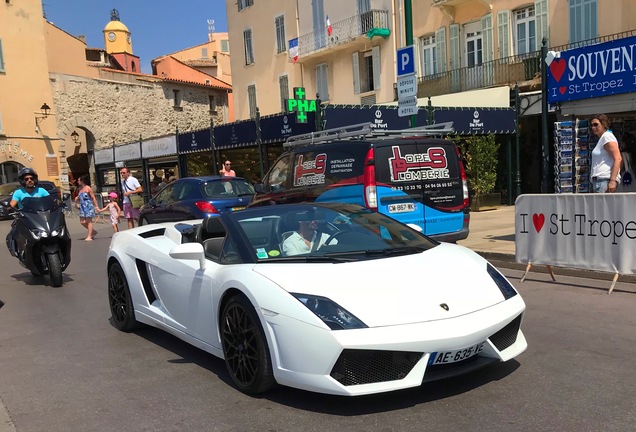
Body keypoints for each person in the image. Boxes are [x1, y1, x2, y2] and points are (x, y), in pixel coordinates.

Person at [7, 168, 50, 256]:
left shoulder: (41, 191)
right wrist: (9, 207)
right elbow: (12, 203)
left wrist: (58, 203)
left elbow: (51, 201)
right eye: (26, 179)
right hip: (26, 218)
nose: (29, 180)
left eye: (31, 178)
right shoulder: (18, 192)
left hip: (41, 217)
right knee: (15, 231)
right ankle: (20, 251)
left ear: (35, 179)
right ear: (23, 181)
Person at [590, 114, 622, 193]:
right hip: (601, 180)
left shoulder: (607, 137)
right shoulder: (603, 138)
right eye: (592, 125)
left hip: (604, 180)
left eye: (596, 124)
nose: (593, 127)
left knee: (602, 205)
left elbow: (618, 158)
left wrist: (612, 181)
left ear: (603, 124)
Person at [74, 174, 100, 241]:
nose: (78, 181)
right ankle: (93, 231)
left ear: (82, 181)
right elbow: (80, 197)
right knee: (82, 222)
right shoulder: (80, 189)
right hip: (82, 207)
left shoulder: (88, 188)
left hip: (88, 206)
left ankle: (89, 236)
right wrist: (77, 199)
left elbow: (93, 198)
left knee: (89, 221)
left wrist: (96, 206)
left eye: (79, 180)